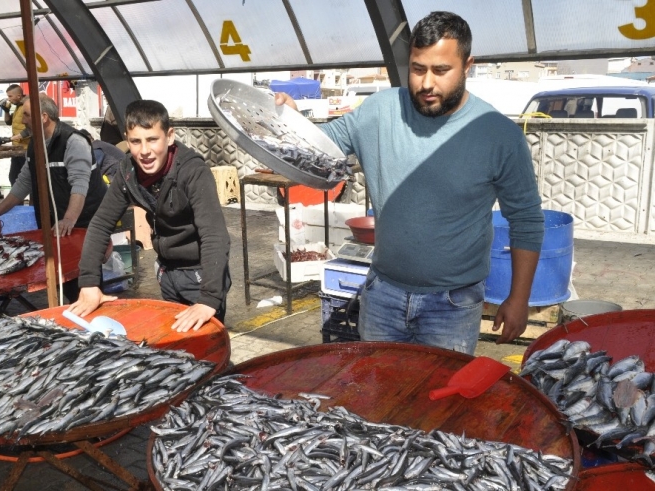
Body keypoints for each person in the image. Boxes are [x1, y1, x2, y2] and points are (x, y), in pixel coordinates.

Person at [276, 11, 544, 354]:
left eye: (441, 70)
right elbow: (318, 143)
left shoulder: (498, 135)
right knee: (380, 396)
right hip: (383, 294)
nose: (426, 83)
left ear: (468, 65)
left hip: (453, 306)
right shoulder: (378, 112)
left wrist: (519, 299)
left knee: (442, 400)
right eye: (417, 69)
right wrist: (291, 118)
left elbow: (526, 220)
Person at [68, 100, 231, 333]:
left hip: (201, 274)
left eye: (152, 139)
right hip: (167, 272)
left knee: (207, 349)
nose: (145, 151)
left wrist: (209, 300)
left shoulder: (193, 171)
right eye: (136, 141)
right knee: (175, 347)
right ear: (126, 139)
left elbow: (215, 235)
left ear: (170, 136)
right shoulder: (128, 171)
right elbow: (101, 224)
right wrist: (89, 283)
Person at [0, 93, 107, 302]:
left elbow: (80, 184)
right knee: (60, 278)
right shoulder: (35, 143)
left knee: (84, 278)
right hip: (56, 223)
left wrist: (69, 219)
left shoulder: (73, 141)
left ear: (44, 117)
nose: (23, 119)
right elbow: (24, 183)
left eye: (26, 115)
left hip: (85, 221)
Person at [0, 84, 30, 185]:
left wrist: (10, 139)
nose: (9, 99)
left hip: (26, 148)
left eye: (10, 96)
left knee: (28, 178)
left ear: (19, 96)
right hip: (16, 148)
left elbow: (31, 129)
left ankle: (32, 200)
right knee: (13, 177)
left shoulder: (27, 106)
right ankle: (17, 201)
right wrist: (6, 111)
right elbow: (9, 122)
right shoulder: (16, 106)